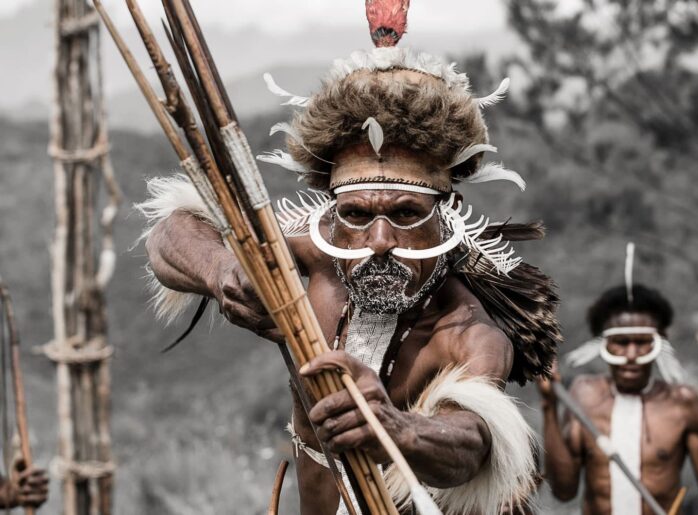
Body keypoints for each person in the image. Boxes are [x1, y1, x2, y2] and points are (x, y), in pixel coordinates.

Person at [136, 5, 560, 513]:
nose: (378, 239)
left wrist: (395, 428)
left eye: (406, 213)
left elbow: (470, 443)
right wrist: (223, 270)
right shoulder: (313, 255)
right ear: (332, 215)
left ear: (446, 215)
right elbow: (170, 234)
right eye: (356, 214)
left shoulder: (466, 331)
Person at [538, 283, 698, 515]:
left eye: (641, 343)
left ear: (659, 344)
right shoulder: (583, 396)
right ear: (604, 344)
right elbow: (564, 491)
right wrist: (549, 405)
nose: (631, 355)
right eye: (621, 343)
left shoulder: (683, 403)